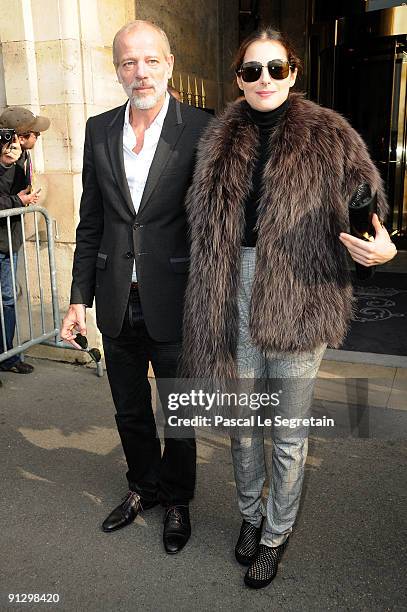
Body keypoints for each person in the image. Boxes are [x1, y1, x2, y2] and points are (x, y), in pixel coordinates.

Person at [180, 28, 397, 588]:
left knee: (289, 431)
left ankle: (276, 535)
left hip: (301, 296)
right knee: (244, 427)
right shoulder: (217, 138)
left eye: (276, 69)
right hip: (232, 294)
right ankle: (250, 518)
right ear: (238, 78)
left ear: (294, 73)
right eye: (252, 71)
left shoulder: (330, 133)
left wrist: (383, 243)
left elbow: (369, 203)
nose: (264, 80)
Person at [60, 20, 210, 554]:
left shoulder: (202, 128)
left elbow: (214, 222)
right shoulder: (100, 129)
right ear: (117, 69)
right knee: (129, 410)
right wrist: (79, 297)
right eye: (128, 62)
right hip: (116, 298)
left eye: (150, 60)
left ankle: (176, 501)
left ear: (170, 64)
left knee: (180, 411)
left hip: (177, 297)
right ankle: (142, 488)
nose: (139, 71)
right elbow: (91, 219)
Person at [0, 107, 50, 374]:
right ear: (20, 135)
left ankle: (7, 356)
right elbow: (8, 195)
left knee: (8, 299)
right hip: (2, 239)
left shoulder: (22, 156)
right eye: (34, 133)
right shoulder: (7, 159)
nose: (37, 137)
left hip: (9, 240)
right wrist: (6, 166)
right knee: (6, 299)